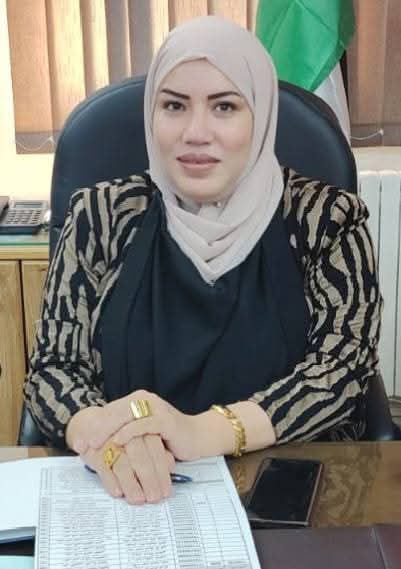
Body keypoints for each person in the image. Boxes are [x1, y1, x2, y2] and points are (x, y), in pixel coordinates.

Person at [24, 16, 382, 505]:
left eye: (224, 106)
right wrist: (103, 435)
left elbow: (342, 370)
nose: (195, 132)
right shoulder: (99, 215)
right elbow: (54, 370)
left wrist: (200, 432)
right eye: (174, 105)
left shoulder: (327, 220)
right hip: (127, 492)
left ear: (260, 116)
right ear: (152, 115)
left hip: (286, 491)